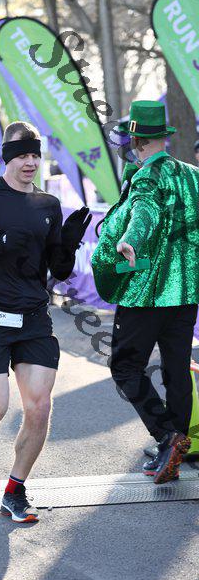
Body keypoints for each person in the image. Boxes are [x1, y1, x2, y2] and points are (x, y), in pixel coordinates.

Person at [0, 121, 91, 523]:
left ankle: (15, 490)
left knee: (39, 407)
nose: (30, 162)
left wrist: (68, 245)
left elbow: (58, 271)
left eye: (34, 155)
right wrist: (0, 243)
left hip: (33, 318)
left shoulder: (47, 205)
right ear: (7, 156)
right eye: (22, 155)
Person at [91, 101, 199, 485]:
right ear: (163, 137)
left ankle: (168, 437)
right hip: (186, 293)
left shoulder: (146, 177)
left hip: (148, 293)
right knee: (176, 369)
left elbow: (145, 211)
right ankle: (175, 445)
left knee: (124, 366)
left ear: (135, 140)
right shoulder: (193, 176)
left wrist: (130, 240)